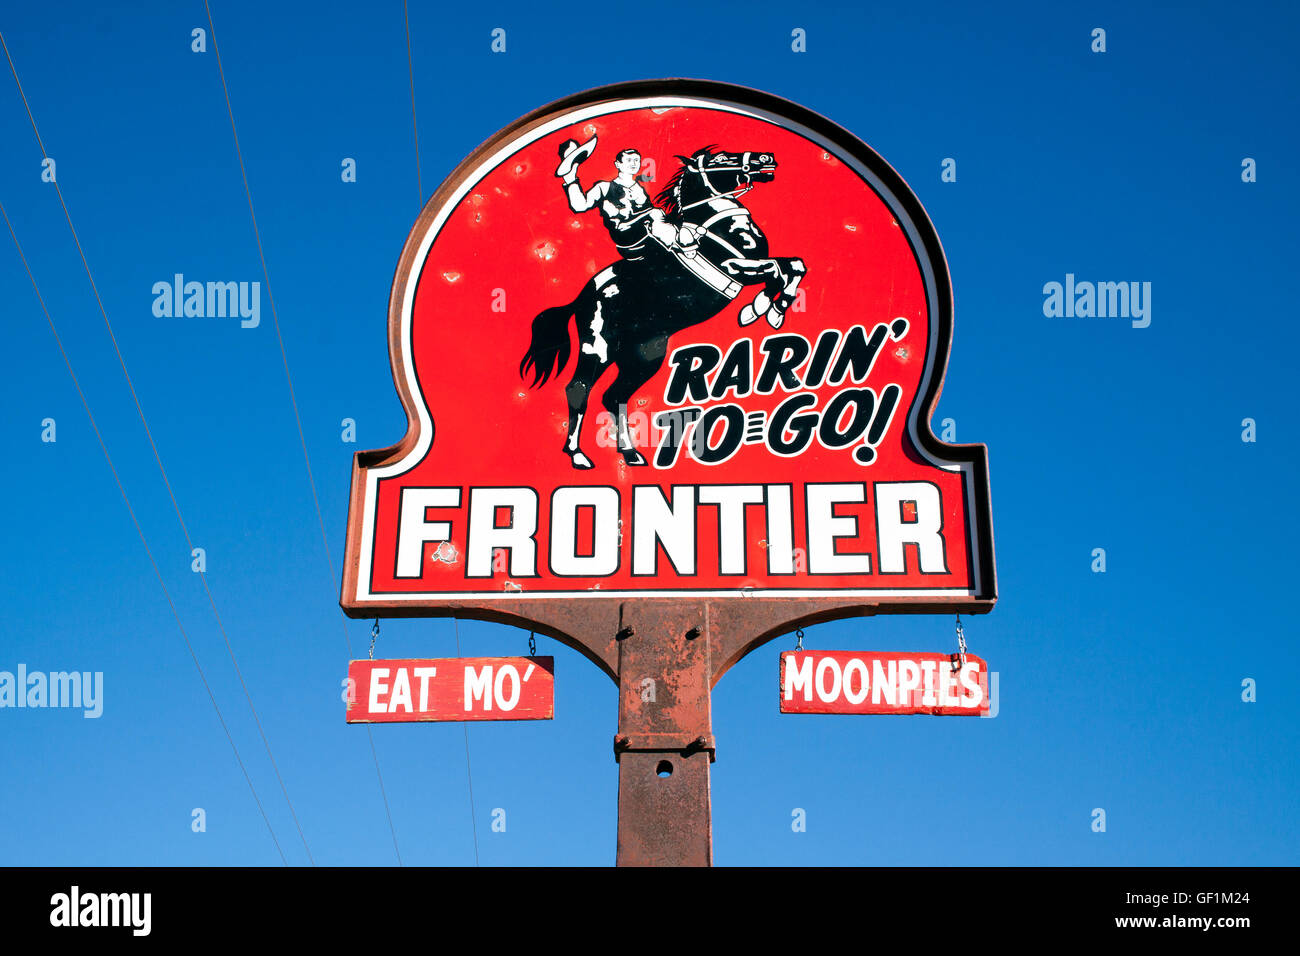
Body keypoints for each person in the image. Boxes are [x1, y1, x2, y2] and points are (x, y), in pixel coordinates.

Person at [555, 138, 695, 259]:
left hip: (647, 233)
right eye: (629, 160)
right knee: (657, 216)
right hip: (627, 236)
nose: (633, 163)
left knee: (668, 218)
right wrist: (570, 179)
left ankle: (682, 241)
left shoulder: (639, 187)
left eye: (636, 160)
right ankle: (679, 244)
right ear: (618, 164)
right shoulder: (605, 187)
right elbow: (579, 206)